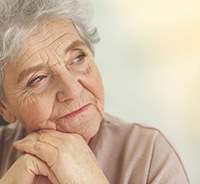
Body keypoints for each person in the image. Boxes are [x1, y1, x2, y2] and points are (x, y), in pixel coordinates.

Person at [0, 0, 190, 183]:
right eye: (38, 79)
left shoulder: (149, 154)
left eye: (77, 58)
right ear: (4, 108)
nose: (73, 90)